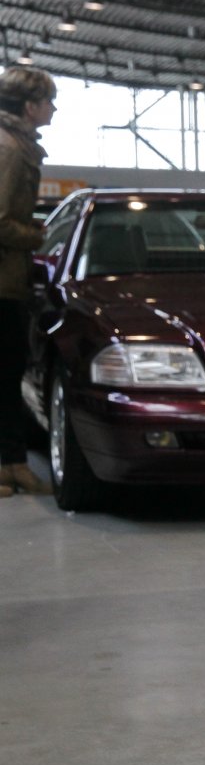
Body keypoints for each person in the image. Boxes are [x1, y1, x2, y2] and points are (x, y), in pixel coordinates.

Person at [0, 64, 55, 497]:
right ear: (30, 106)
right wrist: (38, 236)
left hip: (9, 279)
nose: (53, 109)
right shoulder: (10, 150)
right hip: (2, 281)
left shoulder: (17, 145)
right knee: (3, 373)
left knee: (8, 373)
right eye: (49, 100)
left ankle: (12, 465)